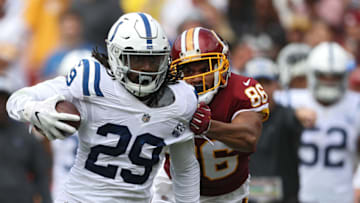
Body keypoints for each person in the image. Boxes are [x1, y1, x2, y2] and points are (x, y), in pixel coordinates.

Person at [7, 12, 200, 203]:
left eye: (153, 59)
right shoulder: (93, 81)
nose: (147, 68)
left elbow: (185, 169)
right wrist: (33, 109)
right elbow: (17, 99)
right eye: (137, 58)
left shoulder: (180, 101)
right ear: (116, 56)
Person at [152, 27, 269, 203]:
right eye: (189, 71)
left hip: (228, 195)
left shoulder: (240, 90)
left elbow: (249, 138)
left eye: (203, 68)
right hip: (172, 189)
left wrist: (208, 126)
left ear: (220, 65)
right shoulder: (165, 95)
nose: (197, 78)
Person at [276, 41, 360, 203]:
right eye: (323, 75)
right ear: (312, 74)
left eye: (335, 76)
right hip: (296, 194)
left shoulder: (355, 105)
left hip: (342, 195)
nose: (329, 81)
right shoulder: (290, 100)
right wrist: (289, 114)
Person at [243, 57, 304, 203]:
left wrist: (301, 115)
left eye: (267, 83)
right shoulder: (236, 119)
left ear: (276, 85)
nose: (262, 90)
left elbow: (297, 120)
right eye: (256, 84)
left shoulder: (288, 116)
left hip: (286, 197)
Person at [0, 76, 52, 203]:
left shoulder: (24, 133)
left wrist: (45, 199)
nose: (0, 106)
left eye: (3, 100)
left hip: (20, 198)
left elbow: (41, 173)